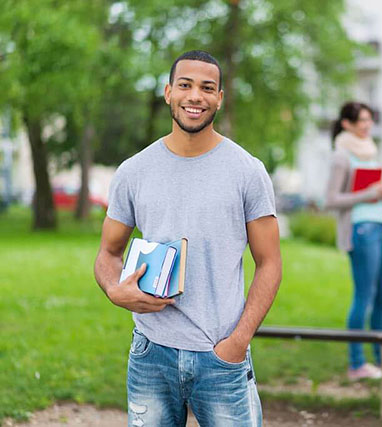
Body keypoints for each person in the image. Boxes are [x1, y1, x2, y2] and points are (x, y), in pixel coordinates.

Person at [94, 50, 281, 426]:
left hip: (221, 354)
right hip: (151, 353)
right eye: (185, 85)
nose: (195, 96)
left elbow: (270, 263)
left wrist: (238, 342)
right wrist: (115, 290)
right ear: (168, 92)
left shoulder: (248, 171)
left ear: (220, 98)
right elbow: (108, 252)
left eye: (207, 88)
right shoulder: (134, 171)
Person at [325, 102, 382, 381]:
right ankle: (356, 364)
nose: (367, 125)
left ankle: (381, 359)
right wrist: (366, 194)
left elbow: (373, 190)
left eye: (369, 120)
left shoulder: (371, 149)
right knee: (364, 297)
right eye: (362, 121)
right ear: (347, 124)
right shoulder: (341, 156)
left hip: (379, 223)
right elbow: (330, 199)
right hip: (360, 229)